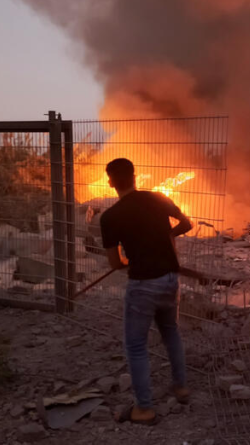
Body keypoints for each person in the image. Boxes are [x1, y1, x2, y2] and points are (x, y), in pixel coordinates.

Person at [99, 158, 193, 425]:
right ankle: (181, 387)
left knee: (136, 346)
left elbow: (116, 263)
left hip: (143, 285)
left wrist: (131, 258)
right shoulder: (157, 198)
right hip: (170, 278)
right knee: (171, 332)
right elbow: (187, 223)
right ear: (134, 176)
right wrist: (166, 238)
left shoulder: (110, 217)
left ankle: (144, 408)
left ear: (111, 181)